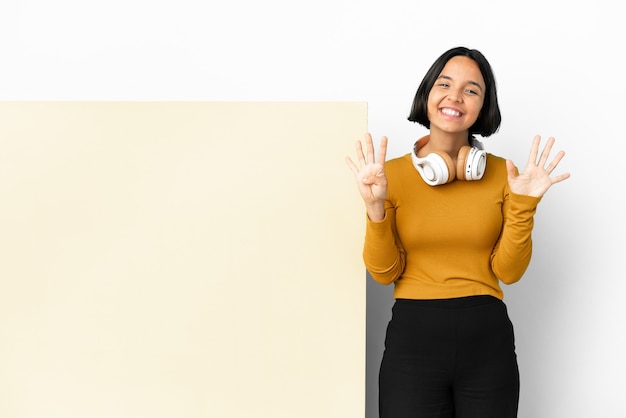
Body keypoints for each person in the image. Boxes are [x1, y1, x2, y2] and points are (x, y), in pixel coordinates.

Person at [345, 46, 570, 418]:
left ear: (483, 107)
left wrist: (524, 205)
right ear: (428, 94)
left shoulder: (506, 175)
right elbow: (384, 273)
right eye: (445, 84)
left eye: (471, 90)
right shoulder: (390, 175)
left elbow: (509, 272)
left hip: (487, 345)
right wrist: (375, 208)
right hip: (412, 344)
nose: (455, 96)